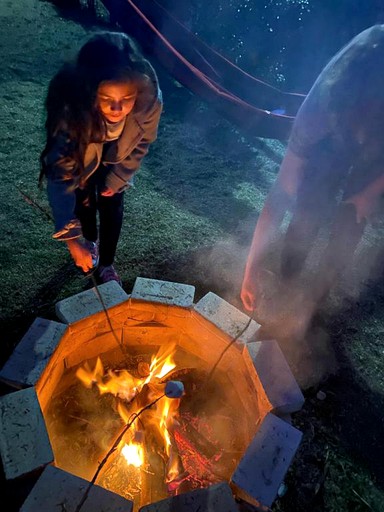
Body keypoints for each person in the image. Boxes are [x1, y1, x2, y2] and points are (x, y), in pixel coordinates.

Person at [241, 24, 384, 332]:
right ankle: (287, 281)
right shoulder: (319, 111)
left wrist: (369, 192)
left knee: (351, 220)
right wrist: (250, 270)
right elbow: (279, 197)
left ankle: (315, 301)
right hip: (334, 135)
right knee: (309, 207)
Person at [39, 31, 163, 285]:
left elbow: (143, 142)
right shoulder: (72, 111)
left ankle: (106, 263)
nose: (117, 109)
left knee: (112, 201)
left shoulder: (149, 101)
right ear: (92, 93)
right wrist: (73, 242)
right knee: (83, 198)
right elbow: (60, 173)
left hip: (119, 152)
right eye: (107, 100)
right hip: (85, 145)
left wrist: (119, 177)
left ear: (137, 94)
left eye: (126, 100)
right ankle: (90, 240)